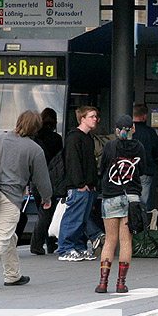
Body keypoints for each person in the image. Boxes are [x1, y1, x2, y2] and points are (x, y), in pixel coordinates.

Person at [0, 110, 52, 290]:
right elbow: (42, 179)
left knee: (9, 235)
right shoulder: (35, 149)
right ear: (36, 128)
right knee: (2, 236)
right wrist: (46, 198)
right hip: (10, 197)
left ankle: (13, 274)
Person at [95, 115, 146, 293]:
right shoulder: (139, 147)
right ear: (133, 129)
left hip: (110, 196)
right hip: (131, 198)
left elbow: (101, 169)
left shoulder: (110, 146)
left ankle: (103, 283)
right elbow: (144, 169)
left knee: (110, 240)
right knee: (126, 242)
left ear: (117, 130)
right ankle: (121, 283)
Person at [57, 106, 99, 262]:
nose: (95, 119)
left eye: (96, 116)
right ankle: (65, 248)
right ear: (82, 119)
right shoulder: (74, 137)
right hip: (79, 186)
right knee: (73, 217)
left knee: (82, 219)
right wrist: (80, 183)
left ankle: (79, 247)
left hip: (87, 186)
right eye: (92, 116)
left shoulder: (87, 138)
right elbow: (73, 162)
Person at [30, 107, 63, 256]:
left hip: (35, 179)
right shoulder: (56, 139)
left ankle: (42, 243)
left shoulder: (34, 137)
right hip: (50, 179)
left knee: (43, 211)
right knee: (48, 212)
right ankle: (42, 244)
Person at [132, 104, 158, 210]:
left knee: (129, 202)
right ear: (144, 116)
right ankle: (142, 224)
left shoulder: (127, 131)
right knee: (143, 204)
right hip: (145, 170)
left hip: (128, 171)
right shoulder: (149, 132)